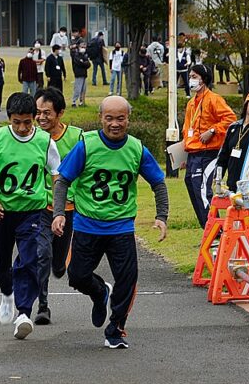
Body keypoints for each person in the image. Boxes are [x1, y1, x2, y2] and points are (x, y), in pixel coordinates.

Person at [51, 95, 169, 349]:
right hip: (87, 225)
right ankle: (99, 292)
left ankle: (115, 328)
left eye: (121, 118)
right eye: (109, 118)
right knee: (77, 276)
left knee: (128, 280)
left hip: (121, 226)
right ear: (100, 118)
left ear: (128, 119)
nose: (115, 124)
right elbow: (63, 180)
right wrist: (59, 213)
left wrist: (162, 216)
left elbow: (158, 182)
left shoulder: (136, 148)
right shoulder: (86, 145)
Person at [0, 93, 60, 339]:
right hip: (1, 212)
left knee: (30, 258)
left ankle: (23, 312)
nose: (22, 128)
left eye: (27, 122)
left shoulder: (44, 141)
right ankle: (7, 292)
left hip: (32, 210)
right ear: (9, 119)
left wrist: (57, 204)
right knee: (3, 265)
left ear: (35, 119)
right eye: (16, 122)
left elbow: (56, 173)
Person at [34, 87, 83, 324]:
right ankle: (43, 306)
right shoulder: (32, 138)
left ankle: (60, 263)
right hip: (42, 207)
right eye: (38, 112)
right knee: (41, 254)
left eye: (47, 113)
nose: (41, 118)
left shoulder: (77, 137)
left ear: (60, 113)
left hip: (70, 209)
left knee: (58, 262)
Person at [181, 63, 236, 227]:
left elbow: (230, 119)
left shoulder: (214, 99)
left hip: (208, 153)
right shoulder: (191, 103)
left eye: (194, 77)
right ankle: (207, 227)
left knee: (203, 190)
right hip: (193, 153)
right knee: (191, 186)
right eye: (190, 76)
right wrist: (184, 152)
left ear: (203, 80)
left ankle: (214, 230)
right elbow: (187, 129)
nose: (191, 80)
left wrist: (212, 130)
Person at [213, 90, 249, 193]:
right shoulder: (234, 127)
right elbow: (223, 155)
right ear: (246, 104)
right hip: (232, 182)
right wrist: (217, 178)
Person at [70, 42, 90, 107]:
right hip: (78, 74)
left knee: (83, 89)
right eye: (82, 47)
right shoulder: (76, 55)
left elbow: (88, 64)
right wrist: (84, 63)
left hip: (84, 74)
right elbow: (79, 63)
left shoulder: (85, 55)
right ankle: (74, 102)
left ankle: (81, 102)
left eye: (84, 47)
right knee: (77, 89)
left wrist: (84, 63)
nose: (83, 48)